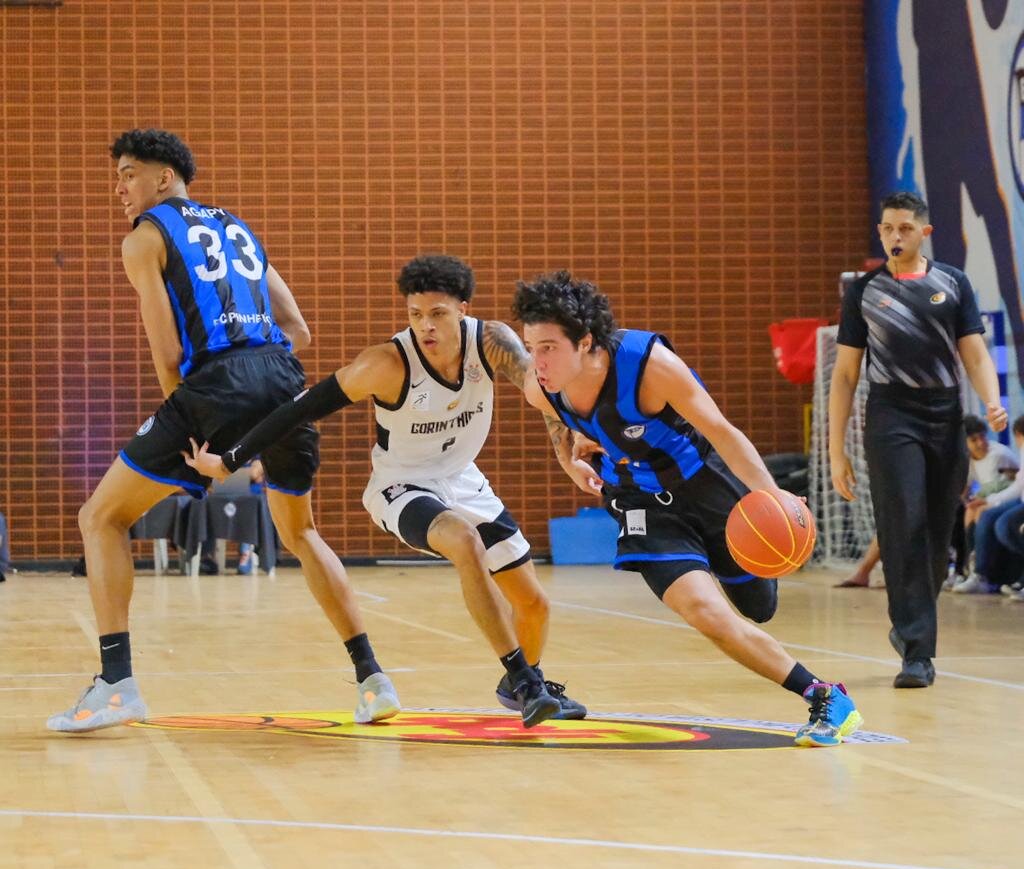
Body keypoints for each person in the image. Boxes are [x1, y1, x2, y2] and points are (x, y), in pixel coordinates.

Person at [47, 129, 399, 732]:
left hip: (212, 387)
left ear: (165, 179)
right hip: (285, 380)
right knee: (301, 532)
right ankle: (373, 679)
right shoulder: (239, 229)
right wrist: (262, 389)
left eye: (128, 174)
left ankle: (116, 684)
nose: (118, 189)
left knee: (100, 518)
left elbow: (166, 350)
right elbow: (299, 329)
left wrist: (192, 417)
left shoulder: (145, 237)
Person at [185, 255, 586, 728]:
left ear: (463, 309)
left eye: (437, 314)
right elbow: (302, 408)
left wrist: (569, 443)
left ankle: (521, 683)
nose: (425, 326)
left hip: (464, 478)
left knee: (534, 603)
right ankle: (523, 680)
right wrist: (230, 459)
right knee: (463, 541)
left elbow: (539, 389)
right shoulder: (387, 363)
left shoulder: (491, 341)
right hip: (402, 485)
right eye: (415, 315)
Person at [510, 270, 862, 748]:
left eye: (548, 347)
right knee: (704, 611)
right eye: (531, 347)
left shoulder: (649, 365)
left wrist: (771, 495)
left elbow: (723, 432)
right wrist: (571, 460)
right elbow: (558, 422)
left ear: (586, 341)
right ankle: (824, 695)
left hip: (705, 484)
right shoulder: (541, 385)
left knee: (758, 607)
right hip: (640, 504)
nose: (537, 361)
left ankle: (746, 568)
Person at [829, 191, 1007, 689]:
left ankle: (911, 627)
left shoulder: (952, 283)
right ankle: (917, 652)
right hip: (890, 415)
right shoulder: (864, 291)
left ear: (924, 232)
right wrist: (835, 449)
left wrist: (991, 399)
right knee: (902, 522)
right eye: (887, 228)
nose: (894, 236)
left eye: (904, 228)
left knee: (934, 531)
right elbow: (844, 376)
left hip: (945, 412)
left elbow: (973, 353)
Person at [953, 415, 1024, 595]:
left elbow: (1013, 482)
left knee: (987, 516)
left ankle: (983, 573)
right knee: (971, 511)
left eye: (982, 437)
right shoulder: (969, 460)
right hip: (1005, 495)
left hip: (1008, 495)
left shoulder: (998, 454)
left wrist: (989, 501)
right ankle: (972, 570)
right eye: (973, 439)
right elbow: (966, 486)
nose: (980, 443)